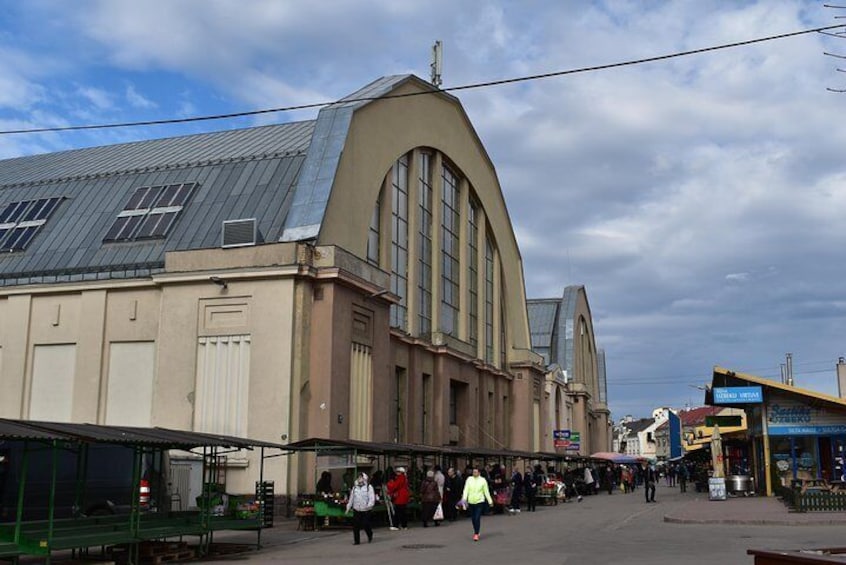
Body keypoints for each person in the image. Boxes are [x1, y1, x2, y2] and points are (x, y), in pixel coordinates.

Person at [461, 466, 493, 542]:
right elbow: (466, 490)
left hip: (479, 501)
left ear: (479, 473)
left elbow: (486, 492)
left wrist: (490, 501)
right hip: (471, 501)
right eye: (473, 472)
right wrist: (464, 500)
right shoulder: (469, 479)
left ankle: (476, 533)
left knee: (477, 517)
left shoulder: (483, 480)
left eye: (475, 472)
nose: (474, 473)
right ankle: (476, 530)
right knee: (473, 518)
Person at [345, 472, 375, 545]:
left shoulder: (369, 487)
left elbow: (372, 498)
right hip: (357, 509)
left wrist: (369, 505)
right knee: (356, 526)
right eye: (358, 477)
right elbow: (351, 498)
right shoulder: (355, 487)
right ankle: (357, 541)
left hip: (366, 510)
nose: (359, 479)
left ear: (364, 478)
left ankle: (370, 534)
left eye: (361, 477)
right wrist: (348, 508)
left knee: (365, 524)